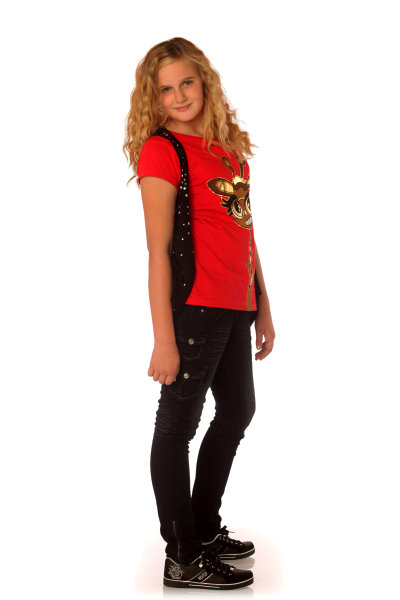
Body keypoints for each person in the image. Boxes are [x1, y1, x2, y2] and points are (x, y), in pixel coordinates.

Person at [123, 37, 275, 590]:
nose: (179, 96)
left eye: (187, 82)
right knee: (176, 427)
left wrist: (263, 305)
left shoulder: (228, 152)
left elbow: (245, 235)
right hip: (195, 310)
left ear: (204, 82)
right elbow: (158, 250)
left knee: (238, 411)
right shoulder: (163, 151)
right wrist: (163, 338)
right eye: (165, 90)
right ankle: (182, 555)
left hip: (236, 305)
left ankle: (206, 530)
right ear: (154, 98)